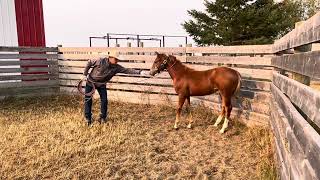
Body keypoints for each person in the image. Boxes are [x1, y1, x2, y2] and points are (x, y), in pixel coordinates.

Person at [83, 51, 147, 126]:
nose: (117, 61)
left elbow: (127, 70)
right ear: (110, 58)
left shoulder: (116, 67)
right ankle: (88, 118)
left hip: (102, 84)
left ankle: (103, 118)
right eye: (115, 59)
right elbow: (89, 62)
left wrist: (139, 72)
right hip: (91, 82)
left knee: (104, 101)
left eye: (118, 59)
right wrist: (85, 74)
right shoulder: (100, 61)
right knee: (88, 99)